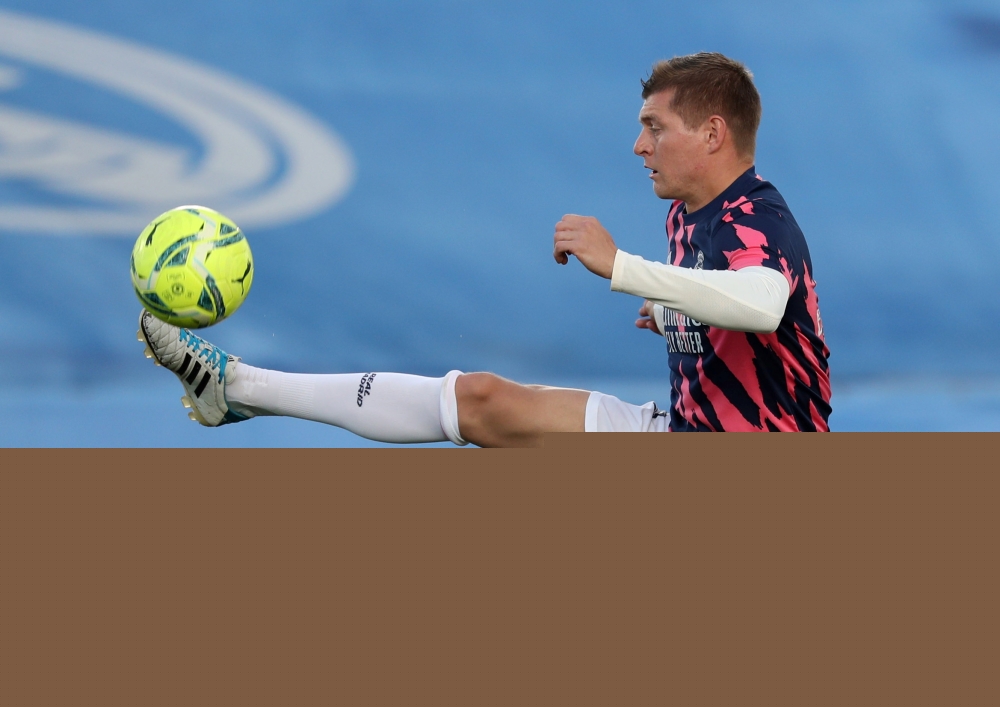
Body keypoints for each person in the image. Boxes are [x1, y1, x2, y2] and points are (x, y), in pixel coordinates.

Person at [138, 52, 831, 445]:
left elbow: (765, 303)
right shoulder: (691, 213)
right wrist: (673, 309)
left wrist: (623, 269)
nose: (639, 145)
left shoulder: (755, 214)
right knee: (483, 400)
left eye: (655, 126)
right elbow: (735, 311)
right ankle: (237, 389)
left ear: (712, 134)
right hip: (686, 432)